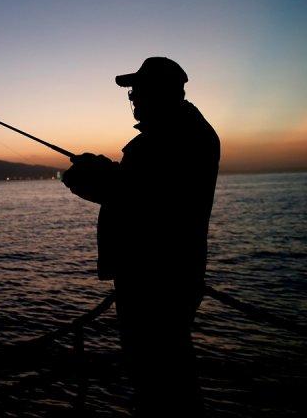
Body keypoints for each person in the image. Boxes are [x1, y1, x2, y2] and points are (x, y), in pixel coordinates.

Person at [61, 57, 219, 417]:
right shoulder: (184, 133)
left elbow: (133, 194)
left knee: (159, 379)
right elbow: (139, 184)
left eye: (138, 91)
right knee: (168, 374)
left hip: (155, 282)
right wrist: (102, 168)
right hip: (172, 276)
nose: (133, 97)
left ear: (159, 92)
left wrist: (84, 176)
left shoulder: (171, 138)